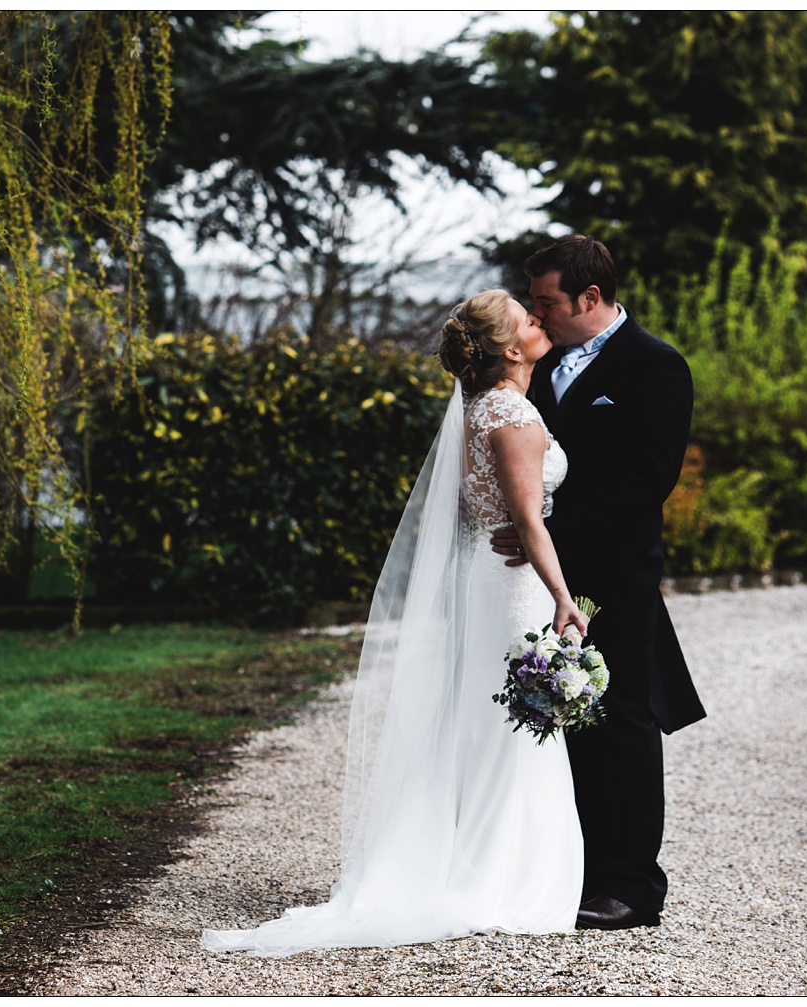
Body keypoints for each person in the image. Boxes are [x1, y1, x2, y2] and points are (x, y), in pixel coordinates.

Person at [201, 290, 588, 956]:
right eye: (527, 317)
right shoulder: (514, 413)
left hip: (479, 576)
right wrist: (564, 597)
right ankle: (504, 876)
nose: (538, 320)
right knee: (512, 724)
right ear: (509, 347)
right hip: (512, 586)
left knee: (482, 716)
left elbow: (485, 516)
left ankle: (469, 859)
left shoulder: (474, 410)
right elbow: (526, 522)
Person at [492, 236, 705, 931]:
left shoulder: (656, 366)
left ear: (589, 298)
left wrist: (545, 540)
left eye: (547, 301)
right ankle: (571, 869)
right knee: (556, 721)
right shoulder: (540, 363)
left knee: (624, 724)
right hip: (540, 579)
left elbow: (648, 480)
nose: (536, 312)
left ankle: (633, 887)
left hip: (614, 576)